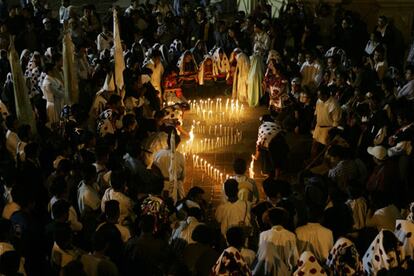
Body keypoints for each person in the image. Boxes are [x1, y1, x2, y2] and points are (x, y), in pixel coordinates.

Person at [153, 130, 185, 204]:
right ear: (177, 144)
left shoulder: (158, 154)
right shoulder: (180, 156)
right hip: (174, 184)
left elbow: (154, 169)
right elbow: (183, 175)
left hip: (162, 185)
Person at [311, 86, 342, 158]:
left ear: (325, 95)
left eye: (319, 95)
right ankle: (312, 162)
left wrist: (331, 133)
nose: (318, 97)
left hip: (328, 129)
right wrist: (313, 122)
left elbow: (336, 121)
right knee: (314, 146)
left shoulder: (334, 104)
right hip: (318, 127)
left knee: (325, 151)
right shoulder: (319, 101)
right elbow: (316, 112)